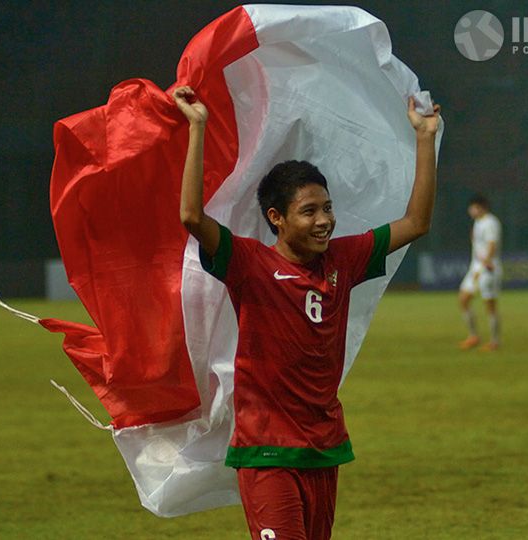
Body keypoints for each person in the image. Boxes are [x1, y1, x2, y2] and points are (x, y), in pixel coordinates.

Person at [173, 85, 440, 540]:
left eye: (328, 208)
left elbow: (416, 223)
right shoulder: (249, 264)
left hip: (323, 448)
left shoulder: (344, 259)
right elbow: (192, 216)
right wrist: (197, 126)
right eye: (309, 211)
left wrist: (424, 139)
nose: (324, 221)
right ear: (276, 218)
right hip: (267, 451)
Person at [458, 194, 502, 352]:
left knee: (490, 305)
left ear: (482, 207)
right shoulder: (478, 223)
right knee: (463, 299)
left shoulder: (490, 222)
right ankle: (473, 336)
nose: (471, 210)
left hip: (488, 269)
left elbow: (492, 244)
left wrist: (484, 266)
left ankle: (495, 341)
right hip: (476, 267)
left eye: (474, 207)